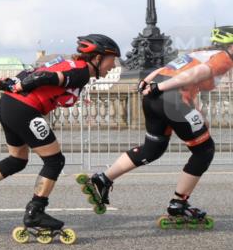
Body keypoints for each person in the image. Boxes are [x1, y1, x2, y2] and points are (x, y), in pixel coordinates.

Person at [0, 34, 120, 244]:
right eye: (112, 60)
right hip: (24, 109)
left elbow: (31, 73)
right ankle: (35, 211)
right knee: (55, 161)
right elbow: (45, 77)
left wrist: (12, 83)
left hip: (9, 105)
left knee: (17, 159)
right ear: (98, 58)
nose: (113, 65)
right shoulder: (82, 71)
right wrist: (24, 85)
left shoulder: (66, 63)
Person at [77, 26, 233, 229]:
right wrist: (160, 87)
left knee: (152, 149)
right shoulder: (224, 58)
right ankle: (179, 204)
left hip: (155, 98)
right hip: (170, 99)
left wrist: (149, 83)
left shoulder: (199, 53)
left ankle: (103, 179)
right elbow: (196, 74)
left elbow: (167, 71)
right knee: (204, 150)